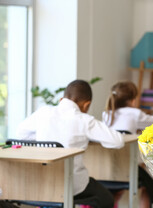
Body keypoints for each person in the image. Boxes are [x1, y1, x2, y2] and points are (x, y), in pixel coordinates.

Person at [16, 79, 125, 208]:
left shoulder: (43, 113)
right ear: (86, 105)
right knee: (106, 199)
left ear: (62, 100)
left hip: (43, 182)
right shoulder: (84, 120)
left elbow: (20, 134)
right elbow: (118, 141)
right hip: (73, 186)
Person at [102, 81, 153, 208]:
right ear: (133, 100)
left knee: (115, 188)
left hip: (107, 168)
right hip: (128, 169)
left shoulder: (106, 114)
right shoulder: (135, 114)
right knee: (149, 186)